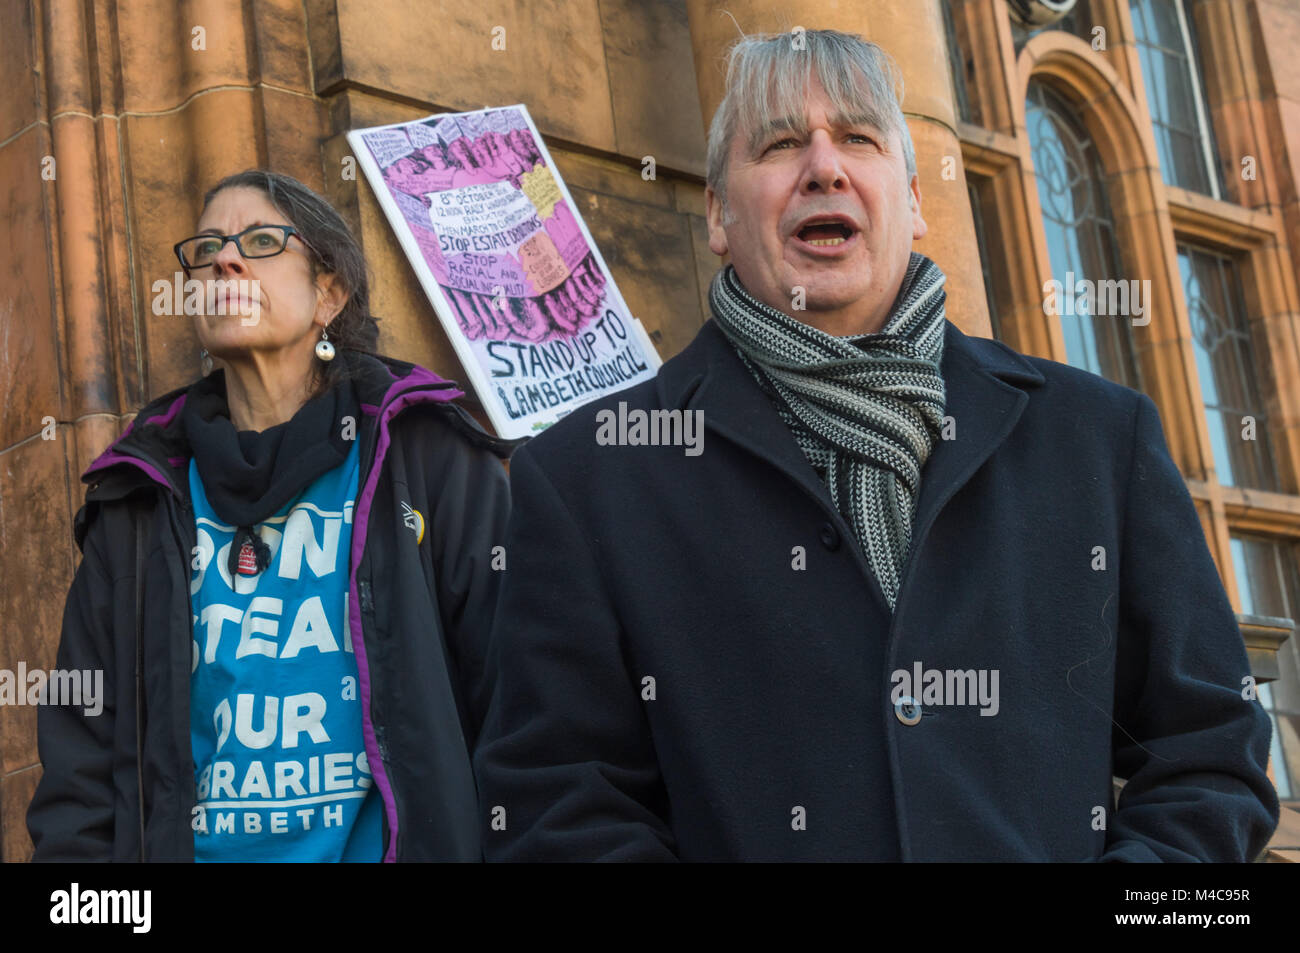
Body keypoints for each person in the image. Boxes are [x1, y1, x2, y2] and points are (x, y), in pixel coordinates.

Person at [472, 29, 1280, 861]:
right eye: (782, 143)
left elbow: (1211, 755)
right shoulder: (585, 478)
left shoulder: (1101, 440)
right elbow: (557, 808)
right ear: (717, 214)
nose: (824, 167)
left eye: (858, 138)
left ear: (916, 200)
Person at [28, 169, 512, 862]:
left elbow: (522, 701)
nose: (224, 259)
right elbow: (80, 773)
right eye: (207, 249)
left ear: (328, 292)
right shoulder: (136, 499)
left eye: (258, 240)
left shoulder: (425, 455)